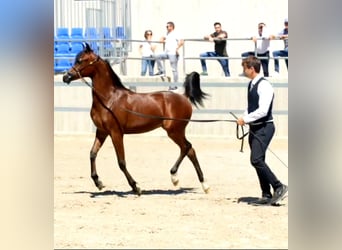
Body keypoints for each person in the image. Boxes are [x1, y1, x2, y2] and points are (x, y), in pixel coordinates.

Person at [237, 56, 288, 205]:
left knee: (256, 159)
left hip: (265, 127)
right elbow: (252, 106)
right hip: (255, 127)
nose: (243, 71)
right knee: (259, 160)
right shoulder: (251, 85)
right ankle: (266, 194)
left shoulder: (264, 85)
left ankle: (279, 186)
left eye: (244, 68)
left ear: (251, 69)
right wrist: (244, 117)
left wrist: (246, 119)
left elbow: (263, 111)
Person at [154, 21, 184, 88]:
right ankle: (161, 70)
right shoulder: (167, 33)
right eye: (166, 26)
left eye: (167, 26)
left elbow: (182, 42)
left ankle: (175, 85)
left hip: (173, 53)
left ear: (172, 27)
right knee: (157, 56)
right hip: (166, 53)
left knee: (174, 69)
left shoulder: (176, 33)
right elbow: (161, 39)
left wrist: (177, 49)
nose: (166, 27)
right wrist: (163, 39)